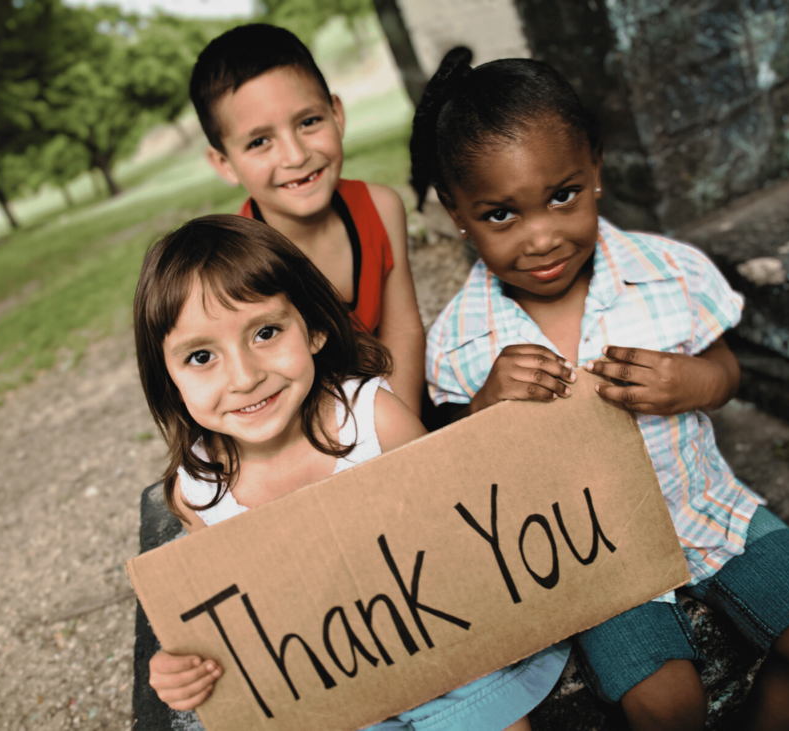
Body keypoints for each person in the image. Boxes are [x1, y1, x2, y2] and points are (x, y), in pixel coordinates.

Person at [415, 48, 789, 731]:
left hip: (710, 511)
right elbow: (463, 472)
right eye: (500, 216)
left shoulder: (669, 271)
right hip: (598, 560)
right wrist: (486, 407)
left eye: (562, 195)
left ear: (596, 167)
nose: (541, 237)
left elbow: (727, 374)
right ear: (457, 211)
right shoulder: (460, 339)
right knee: (664, 702)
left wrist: (693, 380)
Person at [132, 214, 570, 731]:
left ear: (314, 328)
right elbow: (227, 626)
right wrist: (180, 668)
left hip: (449, 661)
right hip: (328, 697)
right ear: (169, 378)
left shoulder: (374, 421)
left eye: (266, 332)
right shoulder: (200, 491)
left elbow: (463, 535)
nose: (245, 376)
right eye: (202, 356)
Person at [189, 23, 426, 417]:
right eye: (259, 141)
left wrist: (397, 438)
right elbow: (255, 389)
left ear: (337, 115)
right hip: (301, 429)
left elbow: (403, 332)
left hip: (393, 410)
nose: (295, 155)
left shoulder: (382, 208)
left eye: (308, 122)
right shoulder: (235, 260)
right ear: (224, 163)